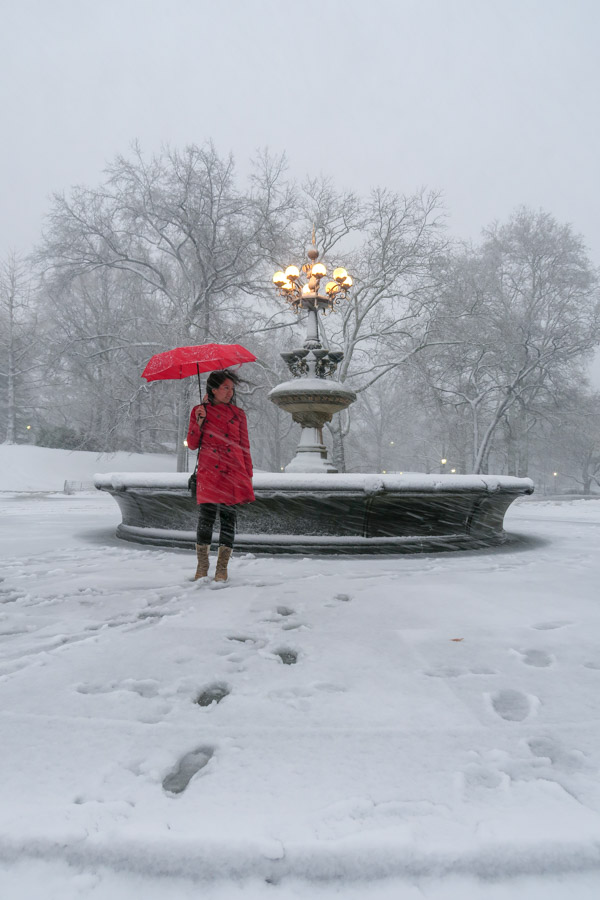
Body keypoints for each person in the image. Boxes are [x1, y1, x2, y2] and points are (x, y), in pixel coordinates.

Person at [186, 369, 255, 583]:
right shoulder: (199, 411)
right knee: (206, 518)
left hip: (233, 471)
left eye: (231, 388)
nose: (229, 392)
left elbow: (245, 446)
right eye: (225, 388)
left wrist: (247, 474)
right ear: (213, 389)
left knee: (228, 519)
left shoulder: (238, 414)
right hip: (210, 472)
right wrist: (199, 422)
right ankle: (202, 565)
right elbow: (192, 444)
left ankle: (222, 568)